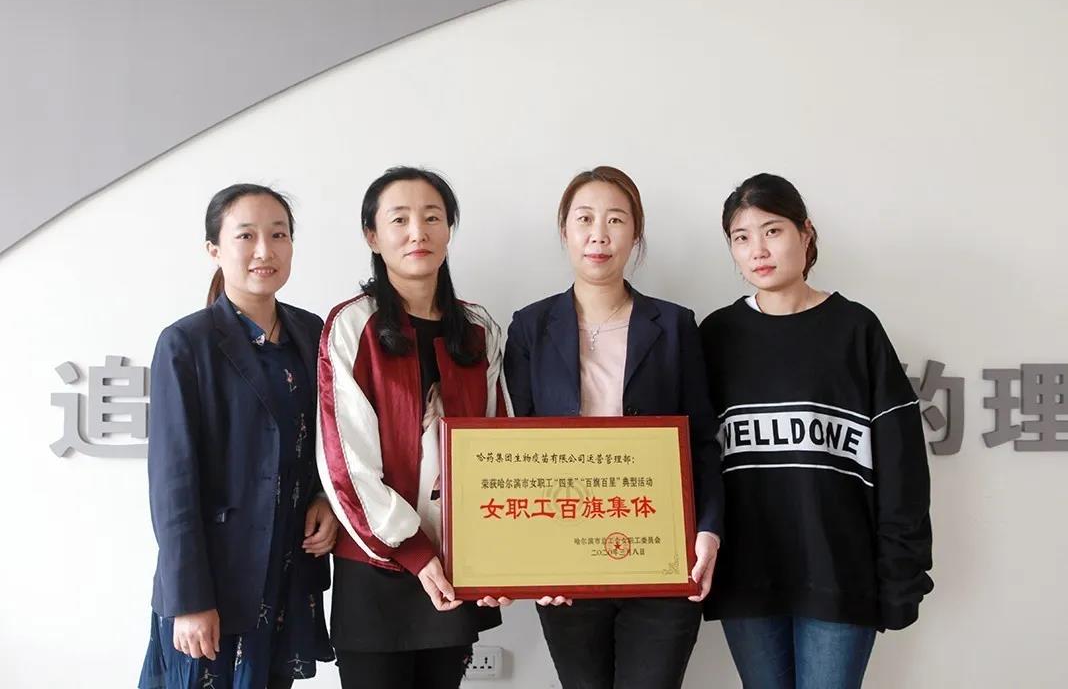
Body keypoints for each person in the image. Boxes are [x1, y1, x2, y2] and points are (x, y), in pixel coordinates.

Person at [699, 173, 934, 689]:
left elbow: (901, 466)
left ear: (805, 233)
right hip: (746, 576)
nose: (758, 250)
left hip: (840, 575)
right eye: (741, 237)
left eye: (772, 231)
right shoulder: (716, 336)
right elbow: (693, 457)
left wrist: (902, 573)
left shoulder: (855, 329)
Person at [504, 166, 723, 689]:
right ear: (565, 231)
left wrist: (709, 530)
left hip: (662, 550)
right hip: (565, 556)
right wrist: (527, 558)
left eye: (616, 220)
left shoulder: (674, 324)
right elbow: (512, 447)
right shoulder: (530, 326)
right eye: (584, 219)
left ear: (635, 234)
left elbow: (701, 441)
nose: (598, 234)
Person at [316, 166, 510, 689]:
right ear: (372, 236)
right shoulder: (352, 326)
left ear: (449, 229)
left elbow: (502, 447)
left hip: (458, 561)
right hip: (376, 568)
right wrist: (416, 553)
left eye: (432, 217)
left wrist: (499, 556)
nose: (417, 232)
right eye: (399, 219)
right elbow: (346, 464)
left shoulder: (479, 329)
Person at [140, 184, 337, 689]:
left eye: (279, 235)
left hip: (286, 572)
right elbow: (172, 484)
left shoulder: (312, 332)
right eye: (246, 236)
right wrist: (188, 600)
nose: (264, 251)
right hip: (216, 579)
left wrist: (324, 499)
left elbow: (326, 439)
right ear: (214, 249)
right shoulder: (187, 343)